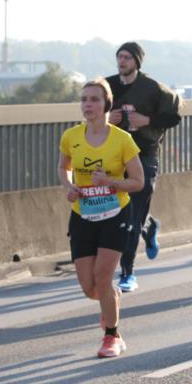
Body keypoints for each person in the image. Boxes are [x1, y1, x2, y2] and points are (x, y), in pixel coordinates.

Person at [59, 79, 145, 358]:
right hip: (83, 214)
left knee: (103, 276)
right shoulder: (71, 136)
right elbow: (63, 167)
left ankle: (112, 336)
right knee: (89, 287)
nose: (88, 105)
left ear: (107, 104)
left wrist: (111, 182)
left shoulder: (122, 140)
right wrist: (69, 186)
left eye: (94, 99)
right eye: (84, 99)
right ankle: (111, 302)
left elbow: (138, 182)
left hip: (115, 213)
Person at [106, 42, 181, 292]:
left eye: (127, 57)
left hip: (144, 154)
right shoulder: (107, 86)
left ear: (137, 61)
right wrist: (107, 118)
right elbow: (89, 111)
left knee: (131, 216)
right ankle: (149, 227)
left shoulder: (153, 88)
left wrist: (148, 120)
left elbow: (175, 115)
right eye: (119, 56)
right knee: (121, 213)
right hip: (114, 156)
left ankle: (127, 272)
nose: (122, 61)